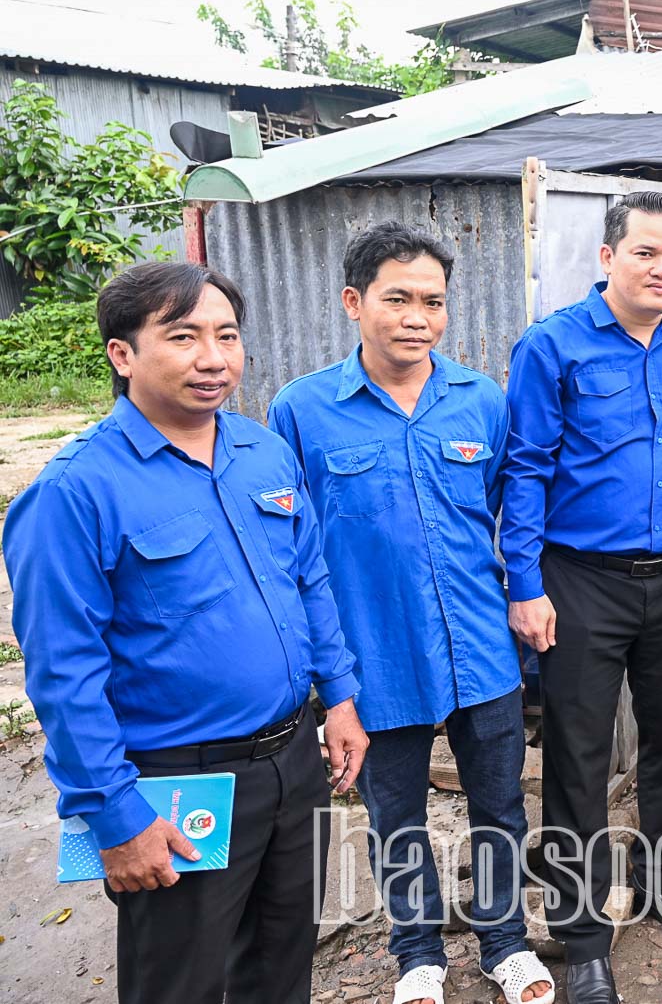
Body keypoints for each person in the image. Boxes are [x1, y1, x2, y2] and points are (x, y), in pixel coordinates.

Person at [3, 262, 369, 1003]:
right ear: (123, 354)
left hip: (293, 761)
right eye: (183, 336)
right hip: (178, 783)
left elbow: (310, 581)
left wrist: (340, 699)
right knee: (181, 982)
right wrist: (115, 815)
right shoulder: (74, 491)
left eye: (227, 336)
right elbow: (64, 674)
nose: (213, 358)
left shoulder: (262, 452)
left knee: (282, 965)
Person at [268, 224, 552, 1004]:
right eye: (398, 299)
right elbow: (292, 548)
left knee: (500, 807)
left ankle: (504, 943)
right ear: (354, 302)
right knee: (397, 815)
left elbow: (503, 506)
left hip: (479, 648)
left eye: (433, 301)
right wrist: (327, 680)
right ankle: (417, 953)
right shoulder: (302, 411)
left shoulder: (480, 399)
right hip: (375, 658)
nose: (417, 317)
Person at [501, 191, 662, 1004]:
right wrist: (525, 584)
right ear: (607, 257)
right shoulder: (552, 345)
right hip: (580, 580)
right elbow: (524, 468)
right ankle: (584, 935)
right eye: (645, 252)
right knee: (578, 756)